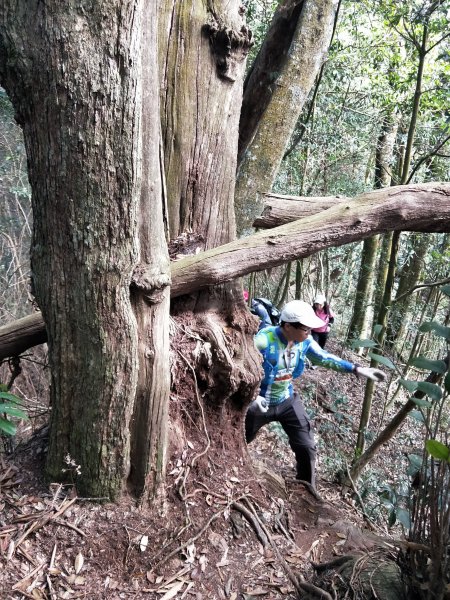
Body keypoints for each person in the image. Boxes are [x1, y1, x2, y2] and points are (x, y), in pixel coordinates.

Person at [245, 300, 385, 489]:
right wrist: (252, 398)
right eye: (306, 329)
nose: (310, 333)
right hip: (259, 404)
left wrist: (357, 369)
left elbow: (324, 358)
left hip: (287, 400)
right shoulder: (263, 340)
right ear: (287, 326)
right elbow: (240, 366)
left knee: (306, 446)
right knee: (242, 437)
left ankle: (306, 487)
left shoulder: (304, 342)